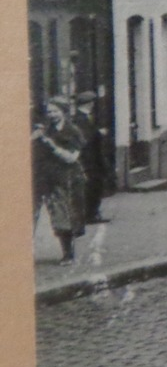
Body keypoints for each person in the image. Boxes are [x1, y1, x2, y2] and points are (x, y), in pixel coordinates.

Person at [32, 97, 87, 263]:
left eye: (56, 111)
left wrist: (52, 146)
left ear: (63, 112)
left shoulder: (73, 131)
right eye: (49, 112)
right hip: (46, 177)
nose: (52, 115)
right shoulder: (46, 130)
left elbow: (71, 157)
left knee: (65, 215)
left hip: (68, 179)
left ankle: (68, 253)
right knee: (49, 215)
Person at [72, 90, 112, 223]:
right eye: (92, 102)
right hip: (89, 159)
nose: (93, 105)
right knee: (92, 186)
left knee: (95, 186)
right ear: (89, 104)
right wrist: (99, 133)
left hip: (93, 158)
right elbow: (86, 138)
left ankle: (93, 213)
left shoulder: (86, 117)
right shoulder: (80, 119)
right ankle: (90, 215)